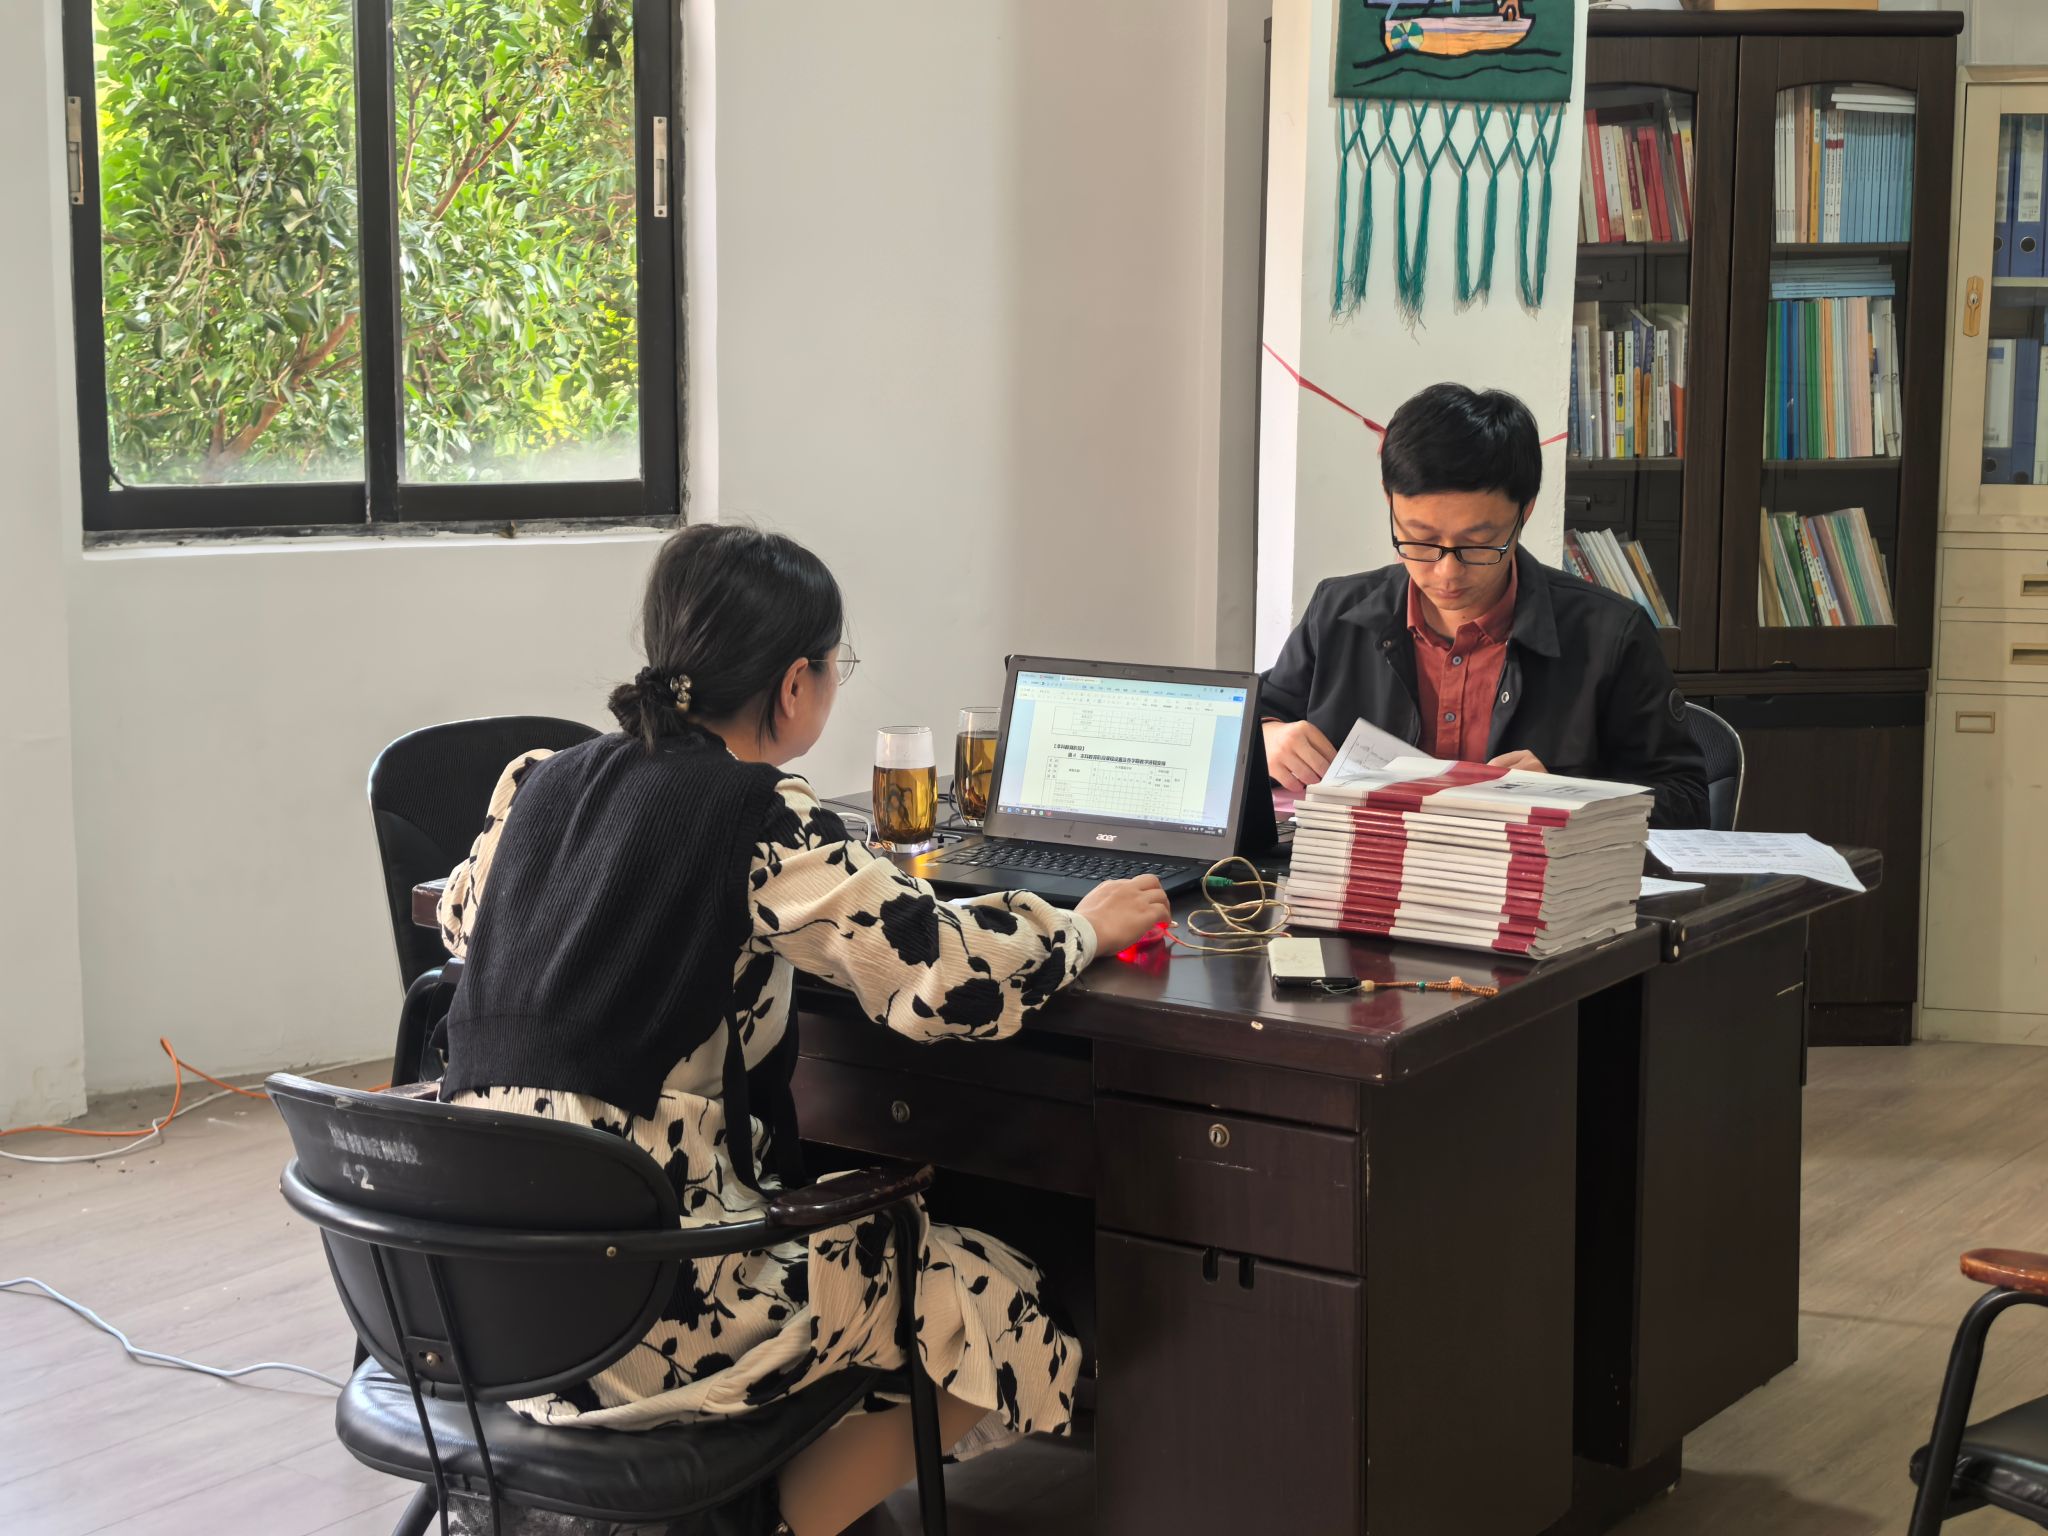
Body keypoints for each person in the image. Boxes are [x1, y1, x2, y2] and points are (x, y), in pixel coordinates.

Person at [434, 524, 1170, 1536]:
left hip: (483, 1300)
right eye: (833, 666)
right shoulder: (759, 815)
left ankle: (737, 1489)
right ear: (794, 686)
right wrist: (1084, 927)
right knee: (1007, 1299)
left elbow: (461, 919)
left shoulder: (536, 780)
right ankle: (772, 1520)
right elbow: (946, 979)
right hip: (652, 1308)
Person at [1259, 383, 1708, 829]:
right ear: (1388, 499)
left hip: (1529, 873)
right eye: (1420, 539)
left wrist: (1565, 794)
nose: (1446, 573)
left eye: (1478, 544)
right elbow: (1255, 718)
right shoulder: (1335, 614)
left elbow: (1687, 801)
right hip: (1361, 867)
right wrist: (1267, 738)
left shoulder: (1610, 635)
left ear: (1524, 512)